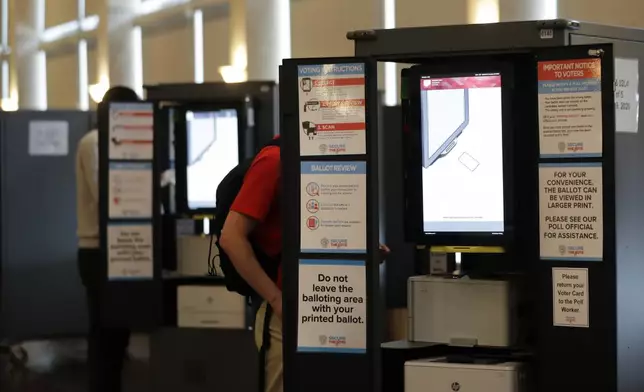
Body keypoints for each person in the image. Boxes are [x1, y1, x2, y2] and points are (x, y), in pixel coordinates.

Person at [219, 137, 390, 392]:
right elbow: (231, 237)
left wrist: (361, 254)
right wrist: (276, 300)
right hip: (284, 313)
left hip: (326, 306)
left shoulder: (324, 161)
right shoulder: (274, 161)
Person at [76, 86, 141, 392]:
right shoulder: (94, 143)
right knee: (104, 332)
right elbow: (108, 193)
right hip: (97, 250)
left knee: (118, 331)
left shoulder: (119, 143)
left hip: (123, 246)